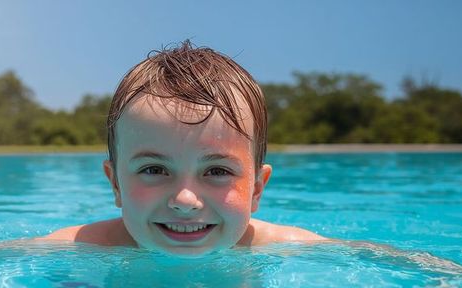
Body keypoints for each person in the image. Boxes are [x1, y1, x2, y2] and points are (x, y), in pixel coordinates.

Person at [40, 40, 327, 256]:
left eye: (217, 170)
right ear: (116, 184)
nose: (185, 200)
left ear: (256, 189)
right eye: (154, 169)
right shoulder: (81, 248)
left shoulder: (288, 248)